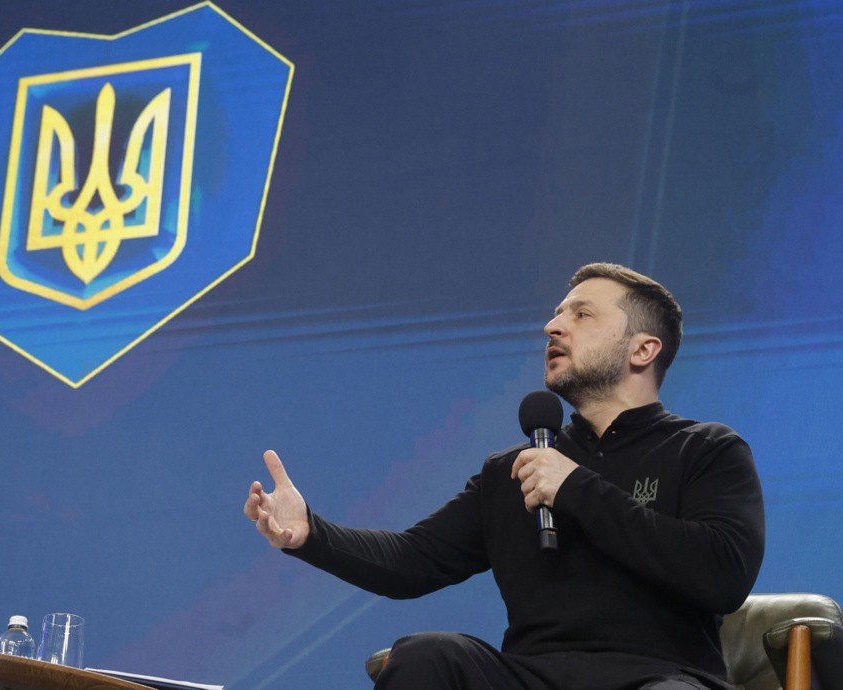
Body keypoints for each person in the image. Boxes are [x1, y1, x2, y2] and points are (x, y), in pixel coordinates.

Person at [243, 263, 765, 690]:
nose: (553, 327)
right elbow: (410, 561)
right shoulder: (513, 470)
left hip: (659, 678)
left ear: (643, 350)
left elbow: (722, 575)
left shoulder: (706, 449)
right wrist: (310, 533)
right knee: (428, 658)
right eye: (558, 314)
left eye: (581, 315)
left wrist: (577, 488)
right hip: (531, 676)